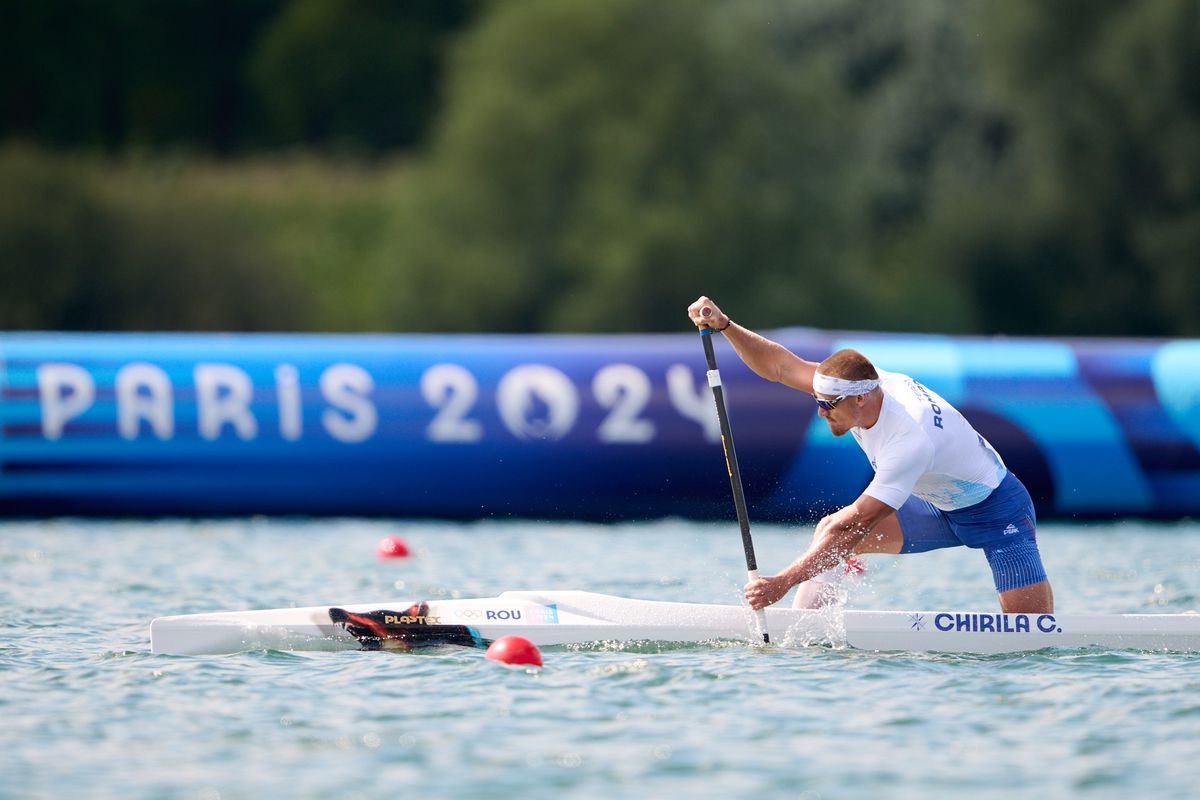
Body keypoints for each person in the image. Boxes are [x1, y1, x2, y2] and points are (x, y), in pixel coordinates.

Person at [687, 296, 1054, 614]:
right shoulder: (856, 385)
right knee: (827, 532)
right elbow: (781, 367)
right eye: (817, 400)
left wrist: (781, 582)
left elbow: (856, 525)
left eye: (828, 405)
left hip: (997, 511)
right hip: (934, 507)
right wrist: (725, 326)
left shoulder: (910, 438)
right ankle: (805, 638)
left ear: (861, 397)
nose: (820, 412)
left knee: (1031, 635)